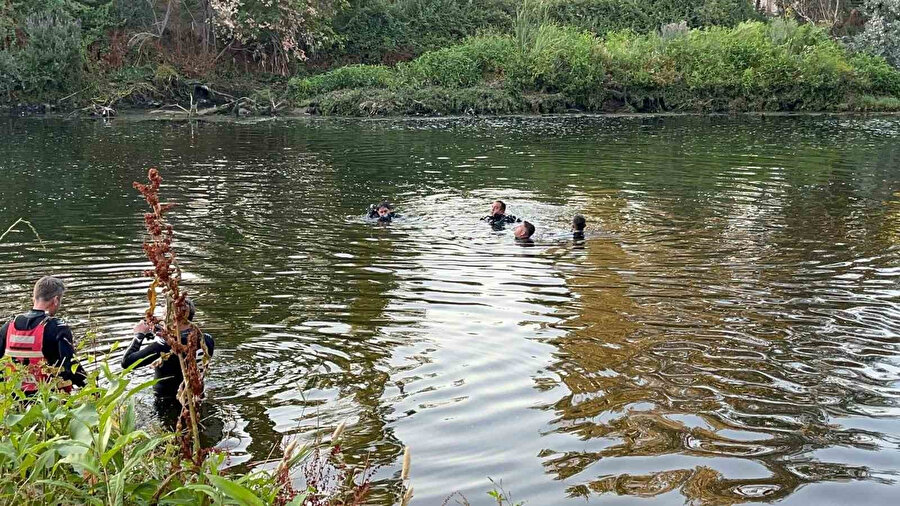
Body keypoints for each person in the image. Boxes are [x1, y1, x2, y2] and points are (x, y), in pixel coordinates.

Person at [0, 276, 86, 392]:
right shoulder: (57, 328)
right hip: (49, 401)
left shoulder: (8, 326)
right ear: (56, 300)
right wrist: (92, 388)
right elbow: (72, 369)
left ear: (33, 298)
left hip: (14, 397)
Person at [121, 297, 215, 396]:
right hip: (196, 397)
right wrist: (161, 332)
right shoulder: (207, 339)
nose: (162, 319)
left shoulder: (164, 346)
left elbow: (127, 362)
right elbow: (182, 339)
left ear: (172, 318)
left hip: (166, 402)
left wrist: (139, 335)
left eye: (164, 314)